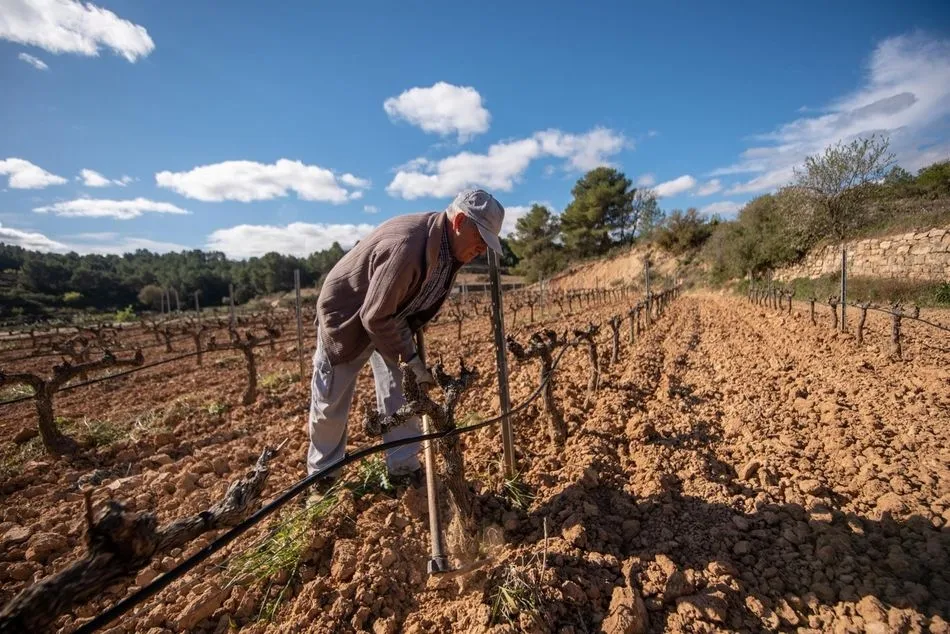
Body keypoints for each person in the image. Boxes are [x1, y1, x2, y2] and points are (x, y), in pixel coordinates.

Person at [305, 188, 505, 494]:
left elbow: (402, 306)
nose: (481, 248)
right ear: (459, 221)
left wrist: (409, 359)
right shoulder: (408, 245)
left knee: (404, 390)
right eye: (480, 237)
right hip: (347, 318)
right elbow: (374, 316)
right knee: (331, 399)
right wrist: (411, 360)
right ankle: (322, 479)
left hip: (390, 318)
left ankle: (403, 468)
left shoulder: (451, 251)